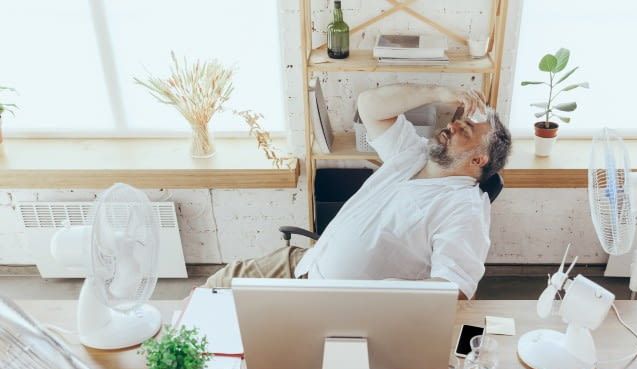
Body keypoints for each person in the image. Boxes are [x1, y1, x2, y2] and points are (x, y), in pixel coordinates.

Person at [204, 84, 511, 298]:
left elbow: (451, 288)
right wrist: (438, 93)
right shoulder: (413, 153)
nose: (452, 127)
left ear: (479, 159)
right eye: (457, 122)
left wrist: (372, 302)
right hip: (306, 264)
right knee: (216, 287)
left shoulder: (464, 209)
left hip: (336, 303)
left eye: (465, 131)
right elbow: (369, 105)